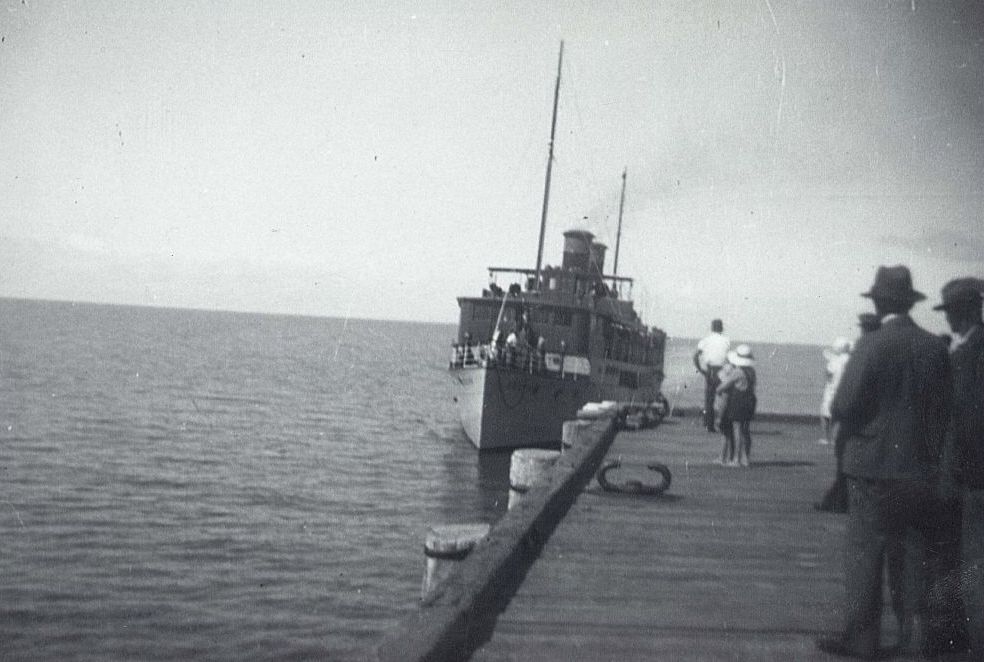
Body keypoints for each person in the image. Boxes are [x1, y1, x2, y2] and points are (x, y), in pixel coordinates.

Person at [816, 265, 951, 659]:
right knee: (913, 556)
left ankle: (862, 640)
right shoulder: (935, 347)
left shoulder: (871, 345)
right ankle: (918, 639)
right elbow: (946, 412)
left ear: (876, 302)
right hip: (921, 469)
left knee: (866, 554)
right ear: (910, 303)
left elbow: (843, 405)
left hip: (872, 468)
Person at [934, 277, 984, 656]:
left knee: (969, 559)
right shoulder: (967, 350)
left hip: (969, 474)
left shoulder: (969, 355)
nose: (948, 318)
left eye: (950, 311)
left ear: (964, 312)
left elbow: (966, 419)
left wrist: (955, 472)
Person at [815, 315, 881, 514]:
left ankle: (840, 501)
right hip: (873, 415)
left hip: (853, 414)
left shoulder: (862, 351)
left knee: (844, 459)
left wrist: (838, 409)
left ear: (864, 329)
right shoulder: (870, 350)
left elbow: (848, 388)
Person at [716, 344, 757, 467]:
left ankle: (736, 459)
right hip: (750, 400)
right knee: (745, 430)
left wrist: (718, 390)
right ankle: (745, 458)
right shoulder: (751, 372)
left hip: (739, 400)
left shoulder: (738, 372)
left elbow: (724, 386)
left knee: (737, 429)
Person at [693, 319, 730, 432]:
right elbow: (727, 357)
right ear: (721, 328)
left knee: (709, 399)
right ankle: (722, 423)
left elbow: (695, 356)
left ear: (712, 328)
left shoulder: (705, 340)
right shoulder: (726, 340)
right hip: (722, 371)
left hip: (710, 371)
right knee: (725, 397)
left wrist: (701, 369)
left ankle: (709, 425)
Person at [820, 337, 853, 445]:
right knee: (840, 415)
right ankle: (835, 439)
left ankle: (826, 438)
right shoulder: (852, 359)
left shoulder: (834, 361)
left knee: (826, 414)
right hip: (846, 390)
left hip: (832, 390)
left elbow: (829, 375)